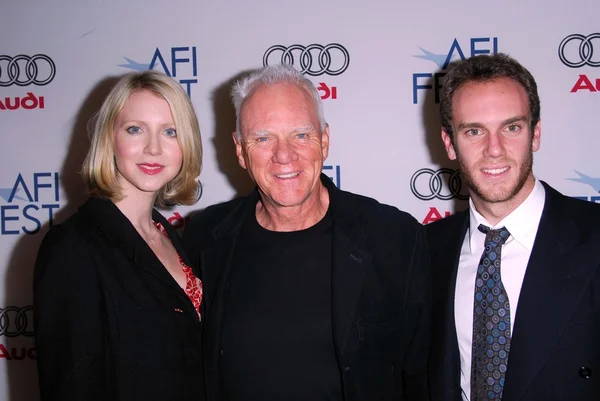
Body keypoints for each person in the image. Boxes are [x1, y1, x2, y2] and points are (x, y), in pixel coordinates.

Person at [182, 64, 431, 401]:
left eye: (301, 134)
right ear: (240, 150)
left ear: (324, 141)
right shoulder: (202, 237)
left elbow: (423, 377)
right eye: (263, 138)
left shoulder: (394, 238)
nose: (284, 155)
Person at [427, 53, 600, 401]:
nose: (494, 149)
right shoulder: (424, 251)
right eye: (474, 131)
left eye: (511, 127)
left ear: (535, 134)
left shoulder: (594, 236)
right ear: (449, 144)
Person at [34, 70, 204, 401]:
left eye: (170, 132)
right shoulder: (73, 247)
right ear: (109, 138)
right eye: (135, 129)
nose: (153, 148)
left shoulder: (169, 236)